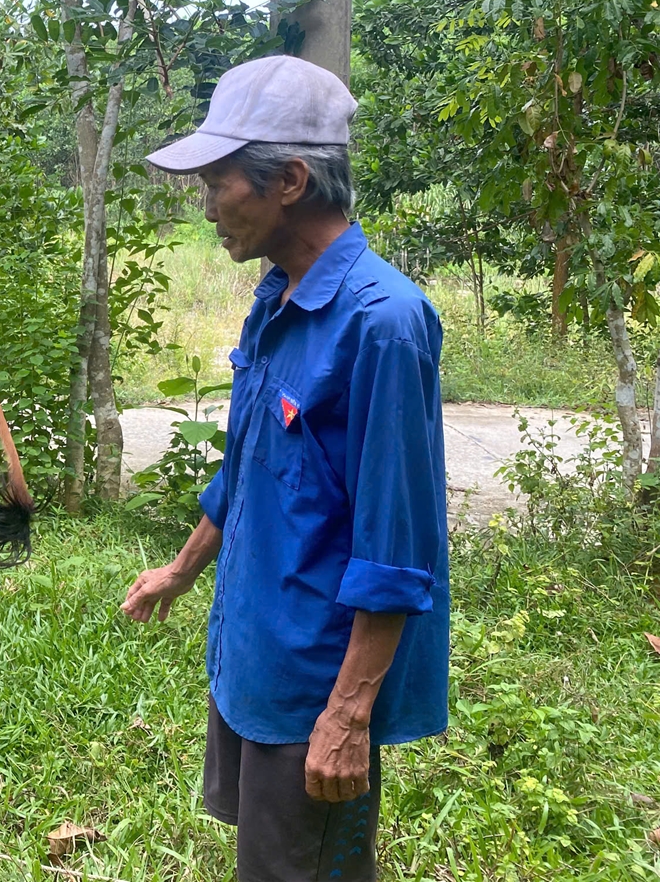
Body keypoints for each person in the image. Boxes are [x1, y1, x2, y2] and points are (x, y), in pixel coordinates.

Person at [122, 56, 449, 881]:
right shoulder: (275, 297)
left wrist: (347, 713)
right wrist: (180, 570)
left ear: (290, 180)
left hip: (316, 683)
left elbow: (397, 548)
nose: (206, 209)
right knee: (266, 861)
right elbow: (249, 467)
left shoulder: (384, 323)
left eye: (216, 184)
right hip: (255, 655)